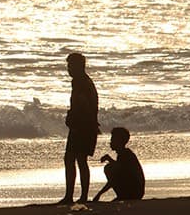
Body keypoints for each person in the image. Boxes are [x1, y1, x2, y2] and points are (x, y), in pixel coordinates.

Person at [59, 52, 100, 204]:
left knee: (73, 159)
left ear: (79, 66)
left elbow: (83, 104)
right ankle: (77, 196)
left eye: (70, 66)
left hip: (82, 127)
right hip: (85, 126)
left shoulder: (80, 82)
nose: (68, 69)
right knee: (78, 160)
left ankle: (74, 196)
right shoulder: (83, 81)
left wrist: (74, 120)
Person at [93, 127, 145, 202]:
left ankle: (123, 196)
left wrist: (99, 194)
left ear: (119, 141)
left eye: (113, 139)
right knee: (111, 168)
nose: (110, 142)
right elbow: (120, 171)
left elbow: (117, 174)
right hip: (136, 191)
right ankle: (122, 195)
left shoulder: (126, 154)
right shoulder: (124, 154)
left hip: (135, 192)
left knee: (109, 168)